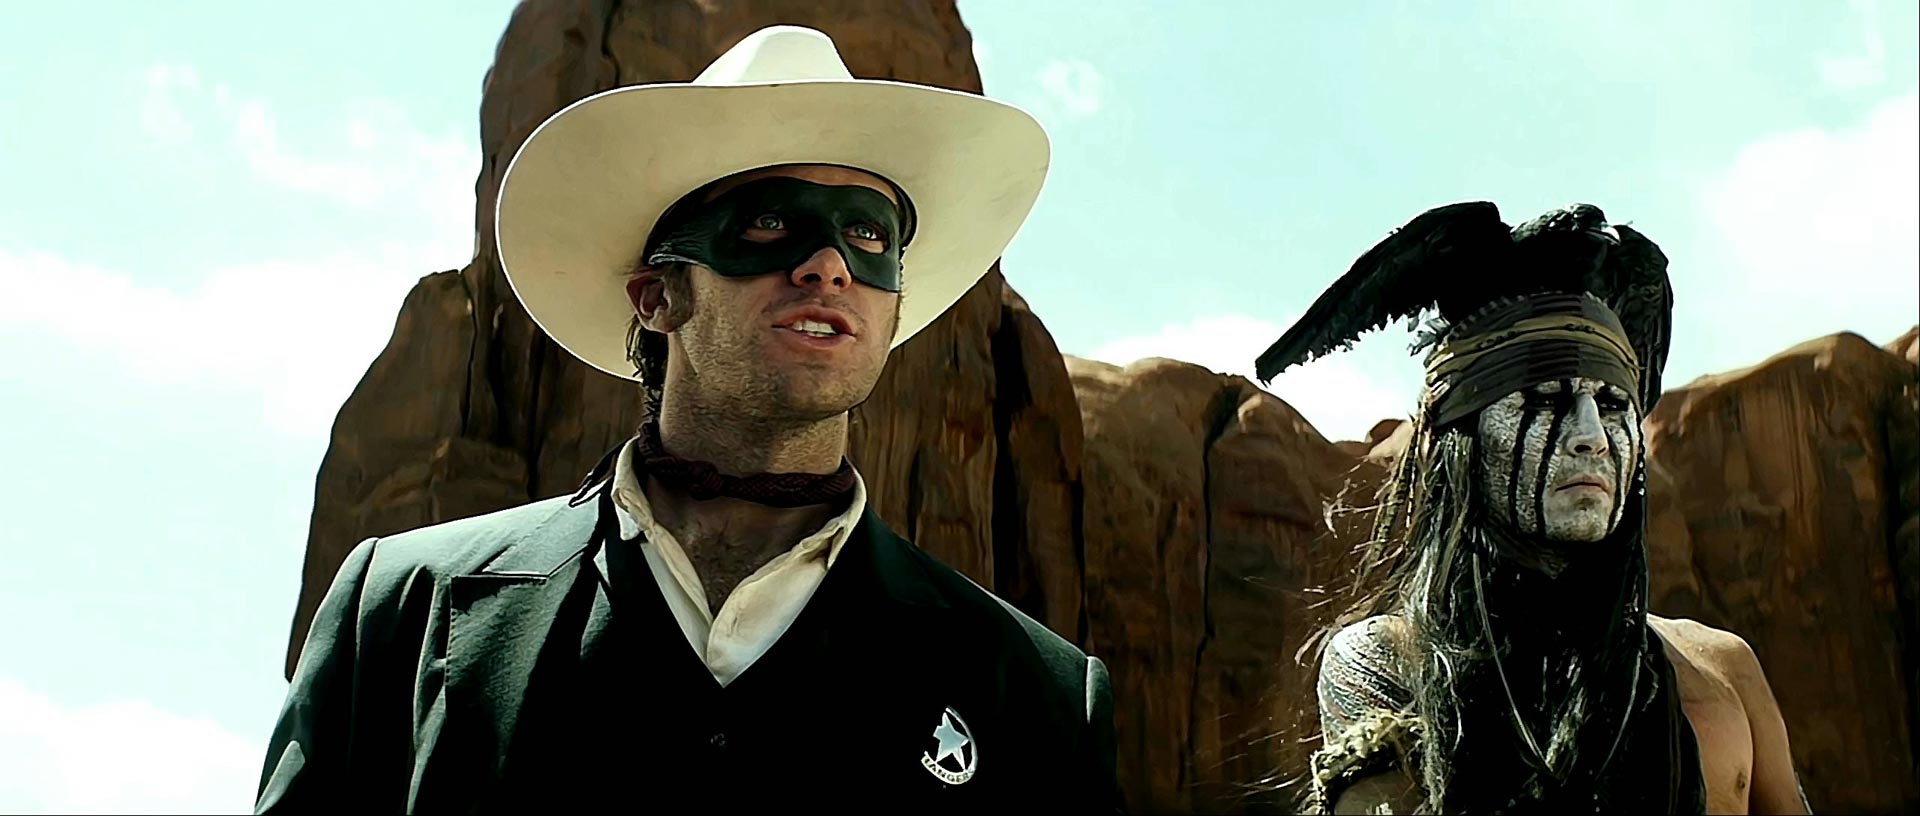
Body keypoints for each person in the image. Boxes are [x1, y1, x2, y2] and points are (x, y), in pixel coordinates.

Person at [255, 26, 1116, 813]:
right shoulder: (406, 613)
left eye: (868, 237)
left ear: (893, 312)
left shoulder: (1036, 693)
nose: (827, 266)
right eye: (770, 223)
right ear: (657, 297)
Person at [1253, 203, 1807, 814]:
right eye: (1544, 400)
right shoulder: (1388, 660)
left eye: (1613, 405)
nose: (1591, 436)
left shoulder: (1723, 664)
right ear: (1462, 446)